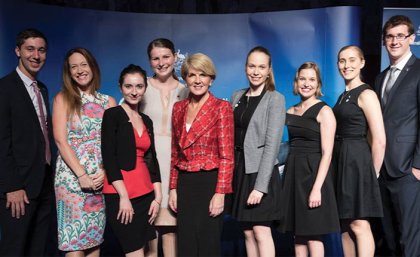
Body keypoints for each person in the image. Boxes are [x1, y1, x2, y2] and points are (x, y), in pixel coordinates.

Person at [168, 53, 234, 256]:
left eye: (202, 75)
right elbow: (175, 153)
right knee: (186, 244)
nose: (197, 80)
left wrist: (220, 193)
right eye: (192, 75)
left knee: (208, 244)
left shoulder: (221, 108)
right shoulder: (178, 108)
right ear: (185, 79)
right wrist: (173, 188)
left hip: (209, 182)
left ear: (211, 79)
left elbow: (227, 156)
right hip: (185, 183)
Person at [53, 47, 116, 256]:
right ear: (69, 72)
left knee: (94, 242)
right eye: (74, 67)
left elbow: (112, 144)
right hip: (71, 181)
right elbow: (61, 141)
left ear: (92, 67)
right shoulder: (63, 99)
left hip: (99, 179)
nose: (79, 70)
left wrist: (105, 171)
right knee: (74, 244)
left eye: (83, 64)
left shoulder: (108, 102)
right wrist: (81, 175)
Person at [0, 28, 54, 256]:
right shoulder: (4, 88)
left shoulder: (42, 89)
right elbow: (1, 141)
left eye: (41, 50)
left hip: (43, 183)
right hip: (18, 188)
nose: (36, 55)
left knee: (37, 249)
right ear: (17, 51)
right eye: (30, 49)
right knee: (15, 249)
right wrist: (12, 186)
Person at [280, 62, 340, 257]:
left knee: (314, 236)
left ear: (318, 84)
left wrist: (316, 189)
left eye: (312, 79)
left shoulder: (325, 112)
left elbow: (327, 153)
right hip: (293, 175)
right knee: (298, 236)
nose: (307, 83)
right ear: (296, 82)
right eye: (302, 79)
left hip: (314, 176)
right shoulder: (290, 111)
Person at [101, 64, 162, 256]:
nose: (134, 92)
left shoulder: (146, 119)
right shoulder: (112, 115)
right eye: (128, 86)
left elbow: (152, 159)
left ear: (145, 88)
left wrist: (158, 198)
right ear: (120, 87)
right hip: (121, 195)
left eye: (139, 86)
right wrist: (123, 197)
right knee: (134, 252)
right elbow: (109, 157)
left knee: (151, 251)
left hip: (146, 193)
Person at [230, 46, 285, 257]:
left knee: (261, 231)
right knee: (247, 231)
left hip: (260, 173)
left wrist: (260, 187)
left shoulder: (275, 99)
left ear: (269, 70)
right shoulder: (237, 96)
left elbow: (272, 146)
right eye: (252, 66)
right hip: (240, 170)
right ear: (245, 68)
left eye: (261, 67)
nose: (256, 71)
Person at [332, 45, 386, 257]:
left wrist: (372, 174)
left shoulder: (366, 93)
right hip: (342, 162)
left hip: (357, 163)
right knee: (345, 225)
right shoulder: (343, 96)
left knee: (359, 225)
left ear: (362, 62)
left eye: (352, 60)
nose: (347, 65)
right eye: (342, 61)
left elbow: (379, 139)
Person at [374, 15, 420, 257]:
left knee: (409, 240)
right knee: (389, 239)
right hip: (383, 168)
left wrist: (418, 166)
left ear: (411, 38)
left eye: (400, 36)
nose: (394, 41)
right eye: (390, 36)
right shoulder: (381, 77)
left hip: (407, 170)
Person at [139, 38, 188, 257]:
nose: (161, 62)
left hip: (176, 167)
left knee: (173, 232)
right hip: (148, 166)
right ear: (149, 61)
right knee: (149, 233)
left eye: (166, 56)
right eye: (155, 58)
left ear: (175, 58)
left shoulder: (186, 90)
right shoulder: (140, 87)